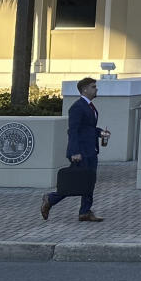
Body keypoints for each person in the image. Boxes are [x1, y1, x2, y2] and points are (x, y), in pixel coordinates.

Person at [41, 77, 111, 222]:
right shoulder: (77, 107)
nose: (96, 89)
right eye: (93, 87)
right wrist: (74, 152)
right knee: (75, 182)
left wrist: (100, 133)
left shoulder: (90, 106)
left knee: (89, 181)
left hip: (91, 150)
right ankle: (50, 198)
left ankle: (85, 212)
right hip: (81, 152)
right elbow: (73, 131)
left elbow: (88, 128)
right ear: (84, 89)